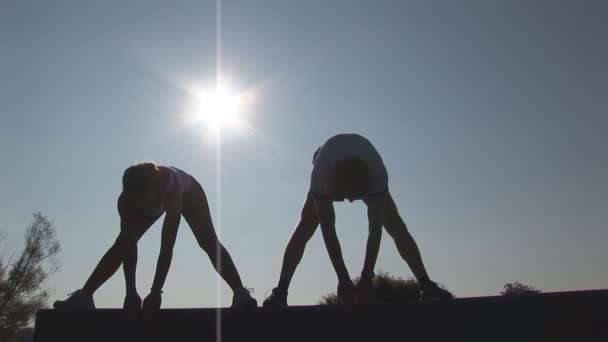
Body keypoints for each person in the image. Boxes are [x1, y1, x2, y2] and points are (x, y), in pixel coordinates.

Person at [263, 133, 452, 308]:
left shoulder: (377, 177)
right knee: (305, 226)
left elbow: (375, 230)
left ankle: (426, 285)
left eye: (355, 196)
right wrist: (343, 279)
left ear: (366, 188)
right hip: (329, 162)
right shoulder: (321, 178)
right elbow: (328, 231)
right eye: (344, 197)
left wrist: (367, 277)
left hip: (364, 163)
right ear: (332, 188)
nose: (351, 201)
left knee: (395, 225)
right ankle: (281, 291)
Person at [54, 162, 257, 313]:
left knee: (207, 242)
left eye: (140, 202)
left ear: (151, 191)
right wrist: (131, 292)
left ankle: (240, 292)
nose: (138, 208)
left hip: (190, 194)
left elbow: (166, 247)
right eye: (133, 202)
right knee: (120, 244)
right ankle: (85, 295)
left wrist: (155, 291)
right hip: (157, 195)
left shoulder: (172, 193)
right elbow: (128, 246)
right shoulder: (125, 202)